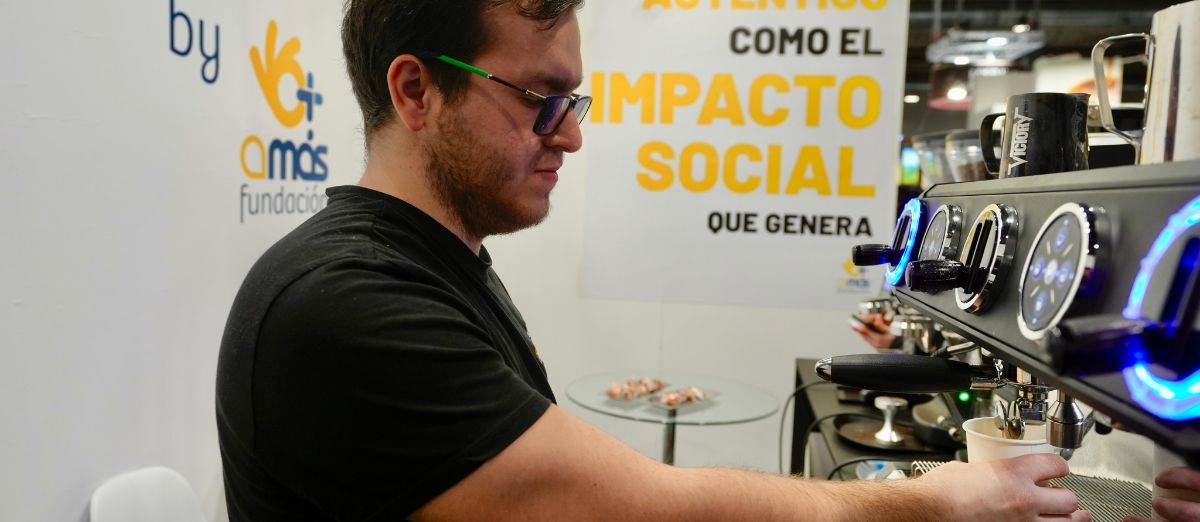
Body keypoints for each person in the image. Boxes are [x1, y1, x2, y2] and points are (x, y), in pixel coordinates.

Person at [215, 1, 1092, 520]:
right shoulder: (346, 305)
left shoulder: (438, 265)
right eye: (539, 99)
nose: (571, 135)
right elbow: (641, 507)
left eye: (573, 101)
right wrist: (934, 501)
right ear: (416, 91)